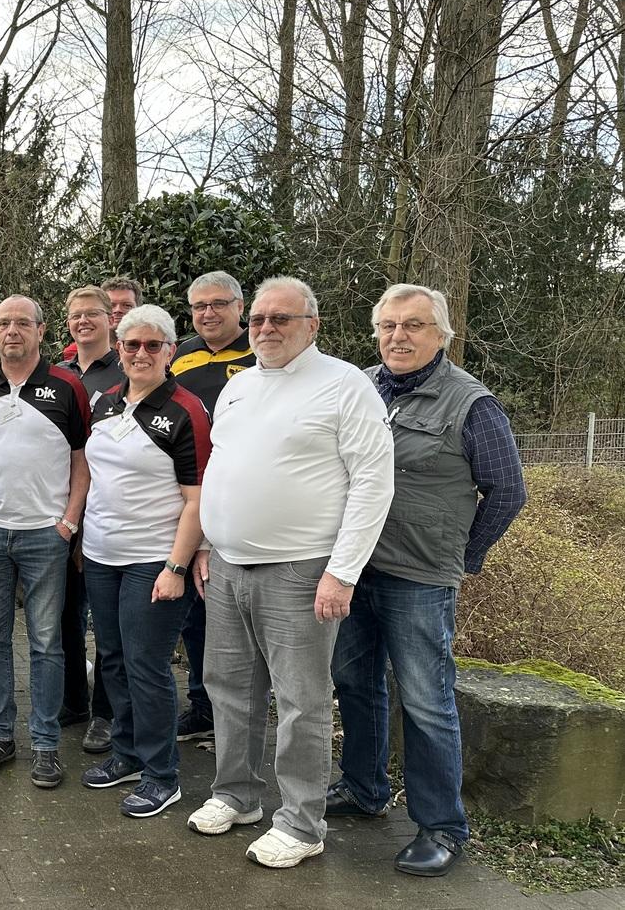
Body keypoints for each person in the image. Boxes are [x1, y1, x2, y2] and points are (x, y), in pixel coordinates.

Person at [189, 276, 394, 870]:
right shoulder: (239, 387)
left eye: (281, 318)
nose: (266, 328)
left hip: (301, 569)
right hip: (227, 565)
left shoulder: (344, 385)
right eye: (258, 318)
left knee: (302, 700)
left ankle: (302, 823)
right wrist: (206, 542)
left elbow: (373, 481)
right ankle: (236, 794)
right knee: (228, 688)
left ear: (312, 325)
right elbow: (222, 469)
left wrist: (343, 571)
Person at [328, 283, 526, 877]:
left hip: (419, 577)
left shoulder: (471, 404)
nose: (399, 336)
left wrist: (462, 556)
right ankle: (363, 787)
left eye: (413, 325)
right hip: (353, 568)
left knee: (425, 700)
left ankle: (441, 825)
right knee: (353, 682)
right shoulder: (360, 387)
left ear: (441, 334)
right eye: (388, 326)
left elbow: (507, 491)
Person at [79, 305, 212, 819]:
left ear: (170, 351)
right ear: (119, 349)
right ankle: (128, 754)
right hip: (100, 555)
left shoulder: (185, 410)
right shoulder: (105, 403)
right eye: (131, 344)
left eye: (152, 345)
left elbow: (197, 499)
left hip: (153, 559)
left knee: (146, 665)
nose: (140, 353)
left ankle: (162, 775)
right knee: (112, 658)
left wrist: (176, 567)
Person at [0, 295, 91, 790]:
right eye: (3, 323)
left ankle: (45, 744)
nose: (11, 331)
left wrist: (69, 522)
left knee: (46, 643)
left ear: (40, 330)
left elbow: (82, 460)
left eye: (21, 323)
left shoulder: (67, 388)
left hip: (44, 535)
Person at [169, 270, 255, 746]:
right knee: (195, 618)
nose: (208, 313)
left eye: (219, 303)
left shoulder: (260, 351)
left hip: (243, 504)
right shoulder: (180, 354)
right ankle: (203, 708)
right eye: (199, 305)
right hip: (190, 499)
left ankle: (240, 717)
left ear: (240, 307)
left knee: (238, 624)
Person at [57, 286, 122, 753]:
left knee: (107, 626)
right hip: (60, 513)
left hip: (106, 516)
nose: (83, 321)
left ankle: (106, 713)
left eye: (92, 314)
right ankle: (74, 700)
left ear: (110, 319)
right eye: (76, 315)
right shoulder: (57, 375)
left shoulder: (126, 370)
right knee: (64, 618)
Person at [62, 276, 141, 364]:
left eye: (127, 305)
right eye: (111, 305)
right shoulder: (72, 352)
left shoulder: (149, 351)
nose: (118, 310)